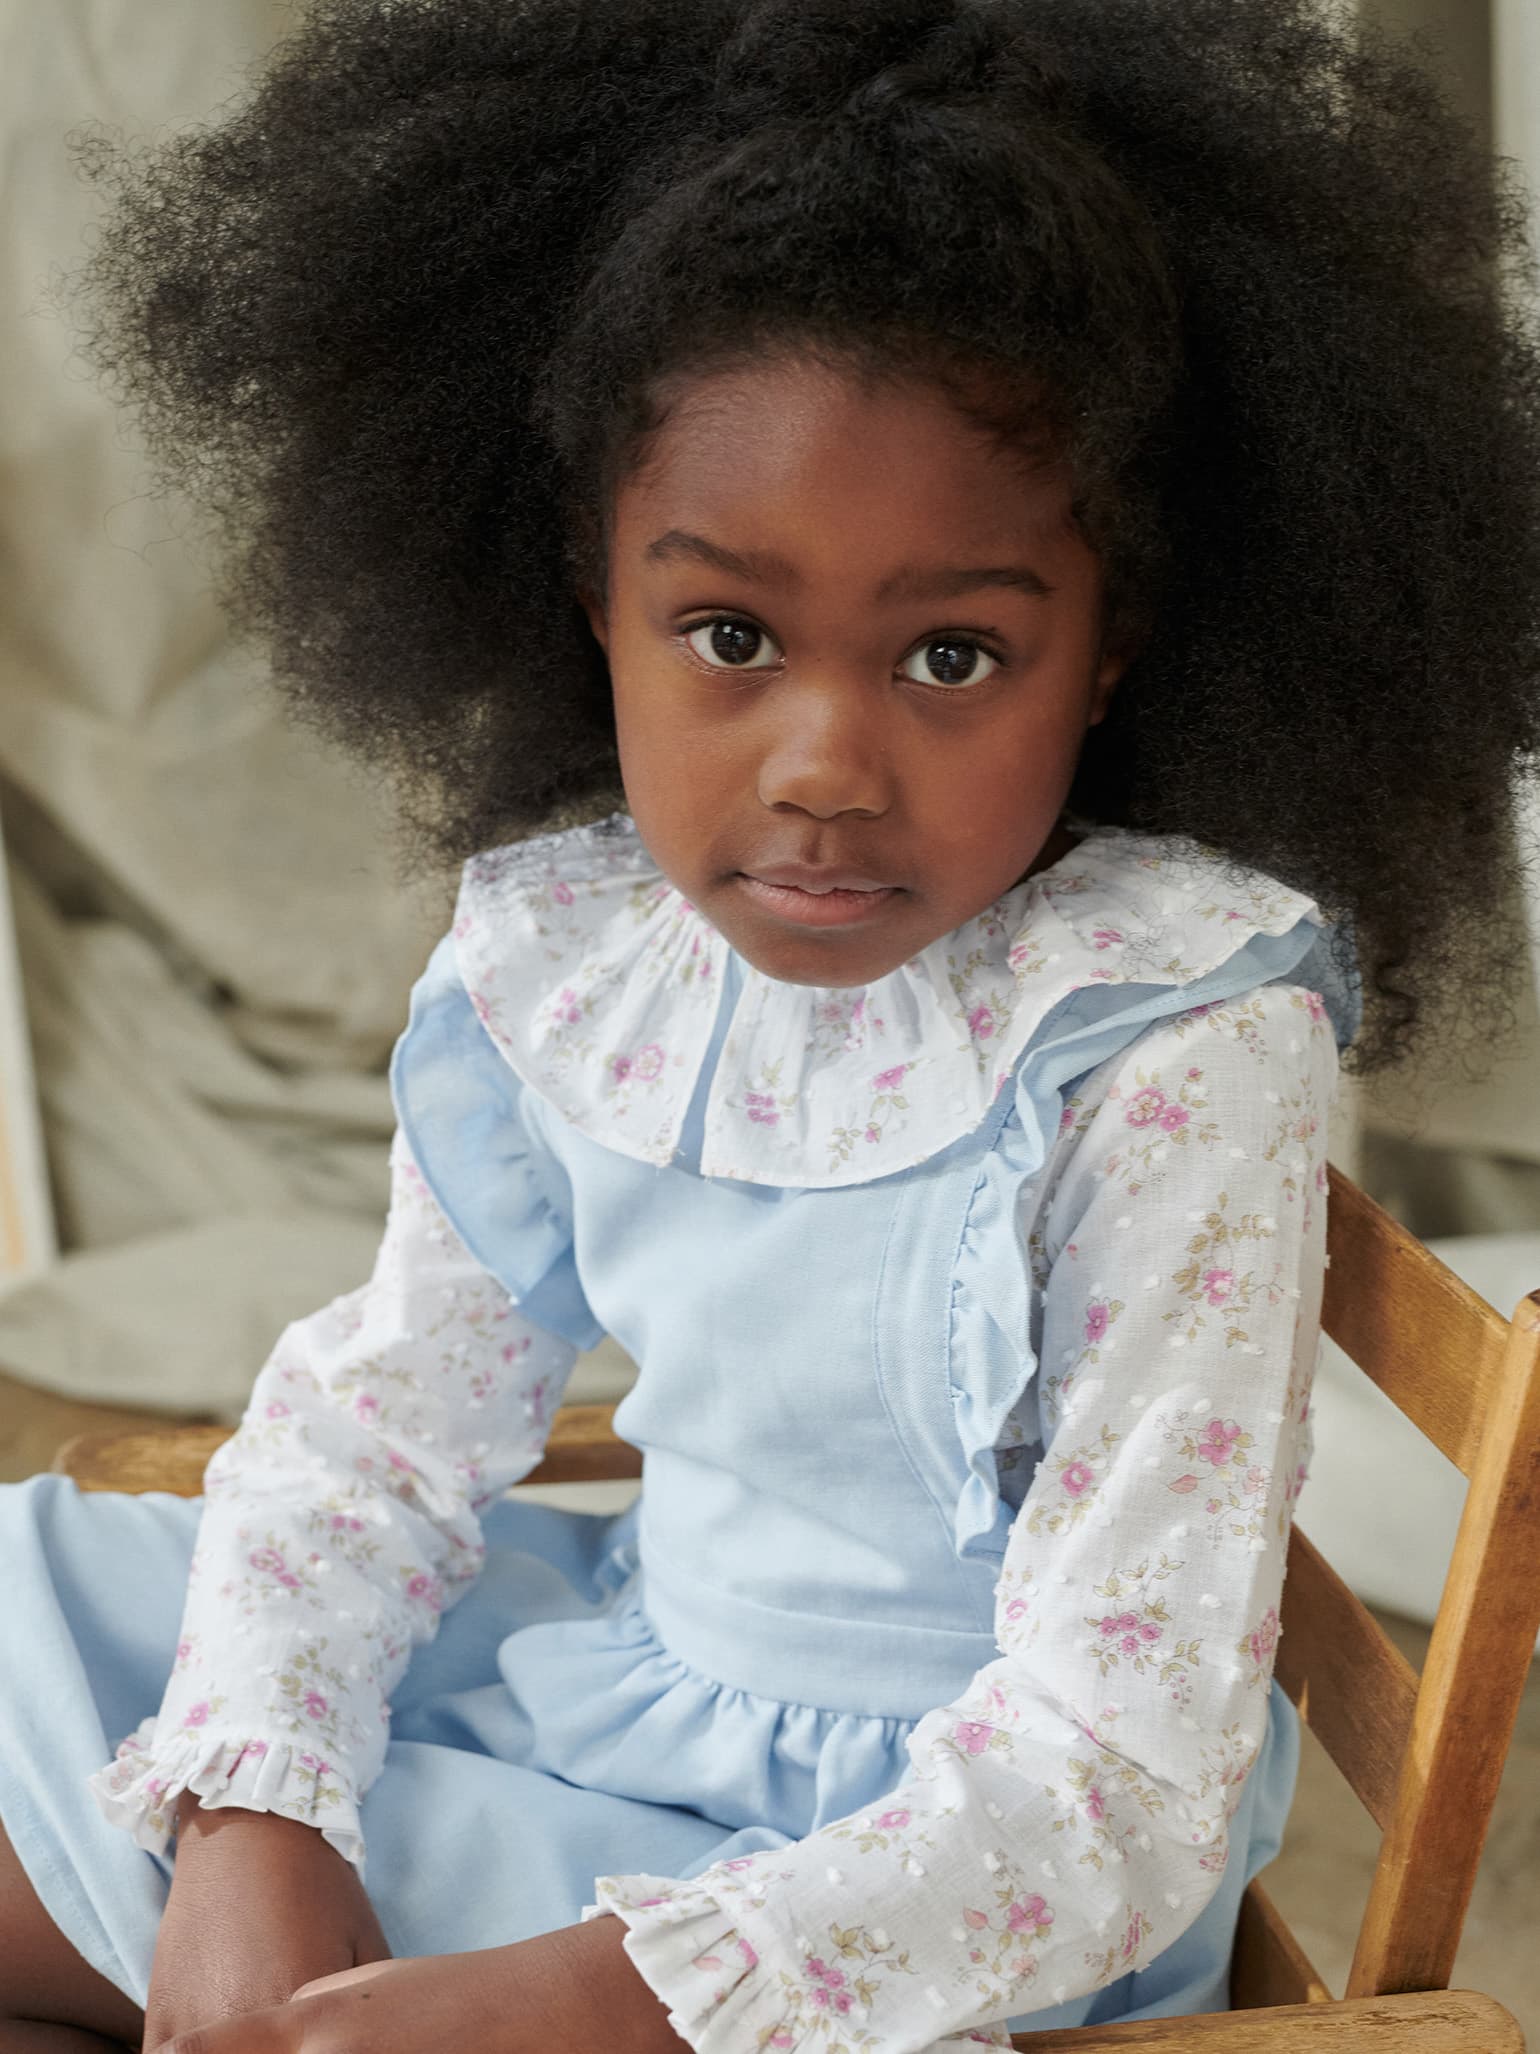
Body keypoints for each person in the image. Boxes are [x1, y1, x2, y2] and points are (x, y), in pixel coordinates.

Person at [2, 0, 1538, 2047]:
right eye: (727, 634)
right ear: (588, 598)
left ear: (1110, 648)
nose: (822, 759)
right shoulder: (576, 959)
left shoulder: (1167, 1043)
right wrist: (250, 1803)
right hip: (618, 1682)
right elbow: (380, 1422)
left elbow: (1123, 1770)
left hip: (936, 1874)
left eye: (951, 651)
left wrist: (599, 1989)